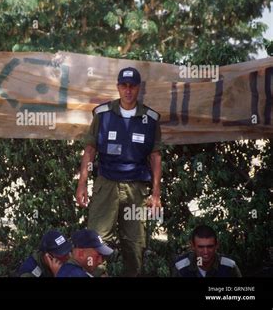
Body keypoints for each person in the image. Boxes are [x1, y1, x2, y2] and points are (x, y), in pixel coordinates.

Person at [75, 67, 162, 277]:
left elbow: (155, 156)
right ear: (118, 87)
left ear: (139, 88)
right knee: (96, 240)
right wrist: (82, 183)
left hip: (136, 188)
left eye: (132, 86)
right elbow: (90, 150)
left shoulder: (149, 119)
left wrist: (156, 193)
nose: (128, 90)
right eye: (124, 85)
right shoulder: (103, 115)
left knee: (134, 243)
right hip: (106, 184)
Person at [173, 224, 242, 277]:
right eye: (200, 247)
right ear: (192, 246)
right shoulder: (181, 267)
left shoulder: (229, 266)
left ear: (216, 245)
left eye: (210, 246)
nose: (205, 252)